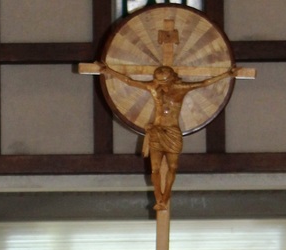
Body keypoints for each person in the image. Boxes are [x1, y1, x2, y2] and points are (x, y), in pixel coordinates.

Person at [94, 62, 238, 210]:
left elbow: (204, 83)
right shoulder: (153, 87)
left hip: (172, 132)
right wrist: (108, 71)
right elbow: (129, 81)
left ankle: (166, 195)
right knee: (155, 168)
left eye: (164, 83)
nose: (161, 86)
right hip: (156, 131)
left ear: (172, 79)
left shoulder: (181, 89)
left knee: (173, 167)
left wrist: (227, 74)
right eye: (159, 82)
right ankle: (159, 199)